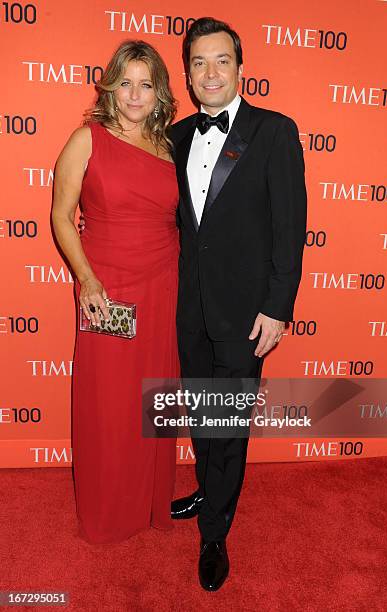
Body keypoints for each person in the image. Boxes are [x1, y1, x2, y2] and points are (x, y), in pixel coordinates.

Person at [170, 17, 307, 590]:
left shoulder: (274, 131)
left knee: (227, 423)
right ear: (187, 73)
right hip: (188, 308)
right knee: (203, 414)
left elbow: (290, 228)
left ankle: (214, 532)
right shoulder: (175, 137)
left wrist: (277, 308)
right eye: (198, 62)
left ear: (241, 67)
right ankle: (210, 484)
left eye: (221, 60)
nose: (210, 72)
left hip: (246, 312)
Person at [51, 40, 179, 544]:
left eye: (145, 84)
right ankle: (108, 511)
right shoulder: (87, 139)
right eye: (125, 81)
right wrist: (87, 279)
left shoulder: (170, 147)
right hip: (106, 289)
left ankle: (150, 503)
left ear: (159, 93)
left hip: (163, 284)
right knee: (108, 403)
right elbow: (62, 216)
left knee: (153, 397)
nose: (134, 93)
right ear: (110, 85)